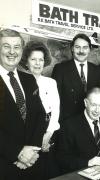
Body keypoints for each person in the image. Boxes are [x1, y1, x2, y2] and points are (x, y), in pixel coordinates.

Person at [0, 29, 48, 179]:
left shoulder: (29, 79)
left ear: (22, 50)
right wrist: (18, 153)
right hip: (4, 164)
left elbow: (40, 116)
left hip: (32, 162)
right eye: (6, 46)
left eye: (17, 47)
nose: (12, 52)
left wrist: (31, 152)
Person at [56, 87, 100, 173]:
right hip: (82, 173)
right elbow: (61, 158)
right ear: (86, 103)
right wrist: (87, 162)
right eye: (93, 105)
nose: (97, 110)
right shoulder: (69, 125)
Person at [52, 33, 100, 123]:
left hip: (91, 122)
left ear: (89, 49)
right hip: (67, 123)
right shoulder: (60, 69)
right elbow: (54, 100)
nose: (81, 51)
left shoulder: (98, 70)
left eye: (85, 47)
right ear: (72, 49)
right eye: (77, 47)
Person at [21, 40, 60, 152]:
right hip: (26, 135)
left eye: (41, 60)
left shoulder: (51, 82)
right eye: (33, 59)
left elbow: (55, 110)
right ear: (26, 62)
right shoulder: (19, 82)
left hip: (48, 134)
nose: (37, 63)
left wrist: (48, 135)